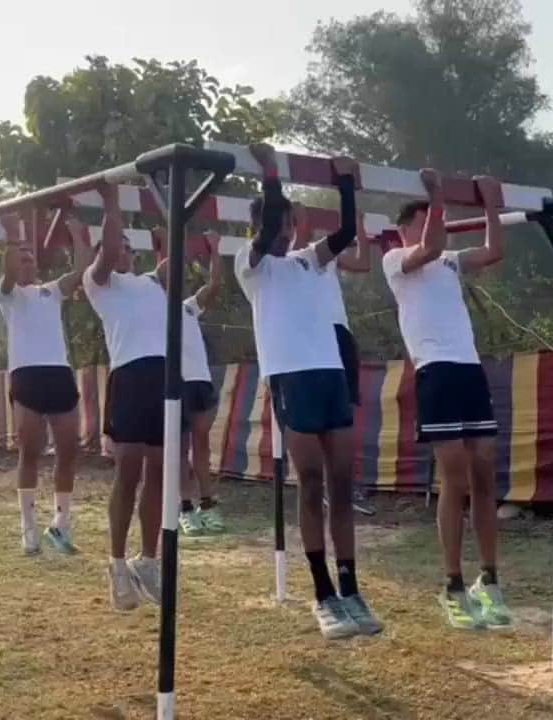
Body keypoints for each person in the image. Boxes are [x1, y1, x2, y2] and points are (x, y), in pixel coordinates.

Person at [235, 143, 383, 640]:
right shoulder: (251, 266)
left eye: (291, 223)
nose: (287, 230)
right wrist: (272, 174)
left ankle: (350, 588)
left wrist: (344, 183)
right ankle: (322, 594)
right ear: (263, 226)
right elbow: (268, 220)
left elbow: (342, 234)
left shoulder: (308, 262)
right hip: (291, 378)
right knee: (312, 482)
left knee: (342, 484)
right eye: (279, 223)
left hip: (328, 374)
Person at [381, 169, 512, 630]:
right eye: (427, 220)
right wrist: (437, 196)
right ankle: (452, 584)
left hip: (468, 367)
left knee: (483, 471)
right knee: (454, 474)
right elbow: (432, 245)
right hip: (435, 369)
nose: (436, 227)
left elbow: (494, 251)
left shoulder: (451, 262)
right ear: (406, 228)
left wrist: (491, 205)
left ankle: (489, 580)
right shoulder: (397, 259)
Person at [82, 183, 167, 612]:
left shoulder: (153, 284)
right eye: (115, 247)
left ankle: (147, 559)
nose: (122, 252)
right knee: (128, 472)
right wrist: (112, 203)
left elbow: (177, 252)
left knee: (159, 473)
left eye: (129, 248)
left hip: (161, 378)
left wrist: (169, 203)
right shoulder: (99, 284)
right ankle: (116, 564)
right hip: (130, 377)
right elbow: (109, 242)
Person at [0, 209, 90, 556]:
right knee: (30, 451)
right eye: (20, 258)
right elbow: (6, 274)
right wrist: (12, 234)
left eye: (29, 258)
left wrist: (79, 236)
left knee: (68, 450)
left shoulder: (51, 291)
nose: (26, 263)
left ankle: (61, 524)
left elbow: (81, 273)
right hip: (27, 375)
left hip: (58, 373)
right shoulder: (6, 294)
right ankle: (28, 526)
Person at [290, 203, 376, 517]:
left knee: (345, 409)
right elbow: (298, 242)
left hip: (341, 332)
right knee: (317, 418)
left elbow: (364, 263)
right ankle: (326, 486)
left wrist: (361, 227)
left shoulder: (328, 255)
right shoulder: (295, 257)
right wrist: (300, 219)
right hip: (317, 335)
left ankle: (341, 485)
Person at [167, 230, 227, 537]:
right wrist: (165, 242)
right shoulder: (156, 309)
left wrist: (215, 249)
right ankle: (184, 508)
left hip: (200, 381)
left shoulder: (189, 306)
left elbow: (215, 284)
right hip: (176, 382)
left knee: (201, 446)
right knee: (179, 448)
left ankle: (207, 504)